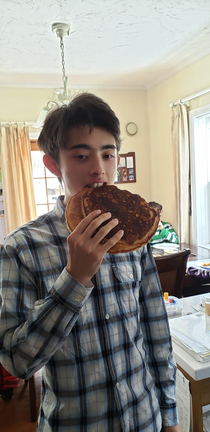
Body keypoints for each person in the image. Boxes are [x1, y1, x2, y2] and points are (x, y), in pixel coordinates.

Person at [0, 93, 181, 432]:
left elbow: (156, 328)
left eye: (108, 154)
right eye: (82, 155)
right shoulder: (21, 248)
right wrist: (75, 278)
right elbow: (16, 361)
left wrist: (169, 415)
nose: (99, 169)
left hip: (146, 418)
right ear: (54, 164)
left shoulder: (131, 237)